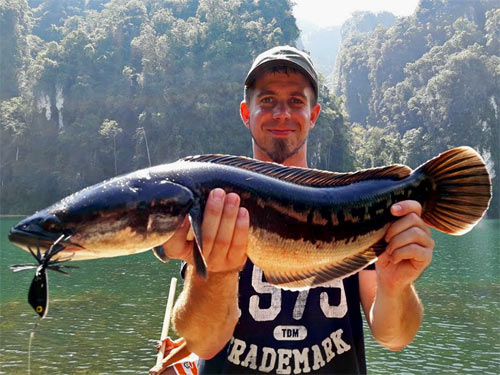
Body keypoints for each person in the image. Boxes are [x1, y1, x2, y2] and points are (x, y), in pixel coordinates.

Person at [161, 46, 434, 374]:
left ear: (313, 115)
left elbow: (394, 336)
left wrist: (396, 284)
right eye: (267, 100)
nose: (281, 114)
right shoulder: (218, 202)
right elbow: (204, 343)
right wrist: (216, 273)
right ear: (246, 113)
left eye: (296, 101)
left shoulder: (352, 206)